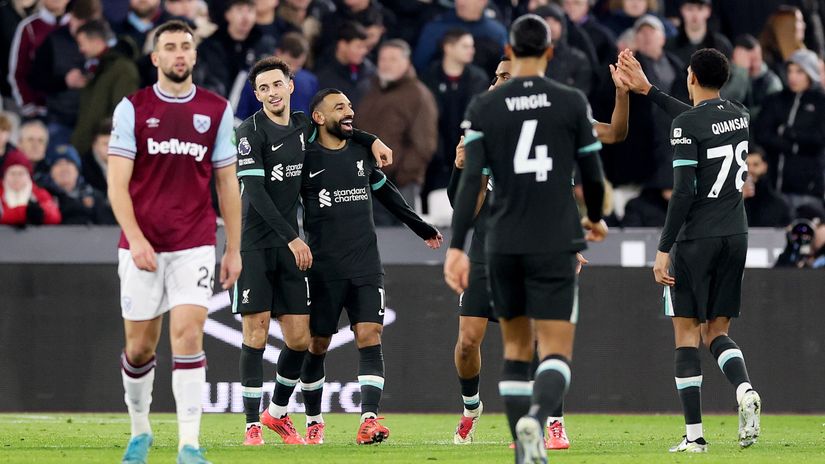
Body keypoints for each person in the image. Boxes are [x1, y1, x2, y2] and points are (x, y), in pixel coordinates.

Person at [444, 14, 608, 464]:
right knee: (553, 349)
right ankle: (539, 415)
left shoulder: (484, 109)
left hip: (502, 244)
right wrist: (593, 219)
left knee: (516, 349)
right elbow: (591, 177)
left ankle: (524, 447)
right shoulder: (571, 102)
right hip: (553, 240)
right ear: (551, 53)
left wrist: (456, 247)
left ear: (511, 53)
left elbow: (468, 185)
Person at [232, 56, 392, 447]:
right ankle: (252, 425)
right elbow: (256, 194)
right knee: (255, 331)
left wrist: (371, 139)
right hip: (256, 242)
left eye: (277, 84)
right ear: (256, 95)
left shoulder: (304, 125)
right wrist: (292, 236)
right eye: (263, 88)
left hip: (291, 245)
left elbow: (342, 129)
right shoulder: (249, 133)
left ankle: (278, 414)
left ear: (290, 86)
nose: (271, 93)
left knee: (300, 340)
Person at [107, 20, 242, 464]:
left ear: (195, 56)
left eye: (186, 46)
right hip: (142, 246)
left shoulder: (217, 110)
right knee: (140, 347)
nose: (180, 54)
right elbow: (116, 186)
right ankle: (140, 431)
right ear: (156, 58)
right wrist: (135, 238)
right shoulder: (132, 108)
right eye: (171, 47)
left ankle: (189, 444)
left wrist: (234, 247)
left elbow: (227, 183)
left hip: (194, 241)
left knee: (188, 334)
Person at [298, 88, 442, 445]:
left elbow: (388, 193)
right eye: (339, 107)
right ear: (318, 117)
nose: (349, 111)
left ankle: (368, 419)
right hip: (323, 268)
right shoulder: (304, 156)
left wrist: (420, 226)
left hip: (365, 264)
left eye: (349, 105)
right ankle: (314, 419)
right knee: (317, 343)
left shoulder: (362, 153)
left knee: (369, 334)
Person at [650, 48, 761, 453]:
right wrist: (649, 91)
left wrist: (664, 248)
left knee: (686, 335)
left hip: (696, 239)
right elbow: (701, 119)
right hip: (737, 235)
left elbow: (683, 191)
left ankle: (694, 437)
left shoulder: (686, 123)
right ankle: (744, 389)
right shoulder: (740, 115)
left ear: (692, 75)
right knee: (717, 332)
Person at [356, 39, 439, 222]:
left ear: (407, 62)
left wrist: (402, 177)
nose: (386, 64)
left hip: (398, 185)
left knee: (400, 239)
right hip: (365, 181)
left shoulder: (418, 94)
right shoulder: (370, 90)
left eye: (393, 59)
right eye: (383, 59)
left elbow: (424, 145)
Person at [755, 49, 825, 213]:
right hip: (774, 189)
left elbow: (818, 139)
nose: (793, 76)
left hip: (808, 190)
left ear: (810, 73)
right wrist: (793, 146)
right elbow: (762, 134)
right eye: (790, 70)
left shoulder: (821, 102)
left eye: (800, 71)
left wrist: (786, 132)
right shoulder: (775, 100)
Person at [71, 19, 140, 155]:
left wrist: (103, 139)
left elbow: (122, 112)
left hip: (105, 148)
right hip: (89, 145)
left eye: (82, 44)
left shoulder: (121, 68)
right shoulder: (99, 68)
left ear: (96, 41)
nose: (81, 49)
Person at [0, 158, 61, 225]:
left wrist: (42, 214)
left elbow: (55, 217)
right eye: (12, 173)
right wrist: (25, 212)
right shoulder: (1, 193)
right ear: (5, 176)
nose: (16, 177)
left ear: (28, 176)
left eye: (21, 174)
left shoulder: (39, 193)